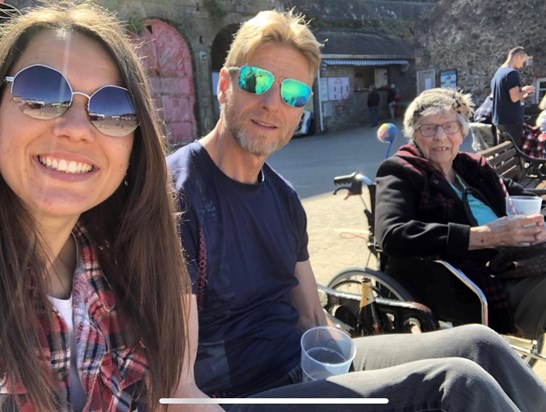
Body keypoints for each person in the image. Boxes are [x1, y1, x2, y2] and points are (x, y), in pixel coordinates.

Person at [167, 10, 546, 411]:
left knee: (479, 345)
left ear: (302, 109)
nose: (271, 103)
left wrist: (355, 367)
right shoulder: (178, 196)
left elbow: (312, 315)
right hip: (243, 394)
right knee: (457, 384)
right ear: (225, 83)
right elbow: (179, 386)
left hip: (304, 367)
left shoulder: (282, 197)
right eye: (255, 81)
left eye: (293, 93)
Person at [0, 3, 197, 410]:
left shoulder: (126, 266)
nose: (75, 129)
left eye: (113, 108)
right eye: (39, 92)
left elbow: (177, 396)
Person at [375, 87, 546, 337]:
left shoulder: (471, 167)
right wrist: (484, 236)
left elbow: (517, 194)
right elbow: (392, 235)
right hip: (466, 282)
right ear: (414, 134)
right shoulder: (400, 171)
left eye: (450, 127)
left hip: (512, 261)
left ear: (462, 132)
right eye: (429, 128)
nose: (440, 136)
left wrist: (540, 221)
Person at [491, 46, 536, 147]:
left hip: (499, 120)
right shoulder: (512, 73)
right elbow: (514, 97)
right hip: (511, 121)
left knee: (502, 152)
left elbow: (505, 96)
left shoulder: (498, 73)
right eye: (523, 61)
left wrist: (523, 92)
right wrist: (525, 90)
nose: (521, 66)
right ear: (517, 57)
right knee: (514, 153)